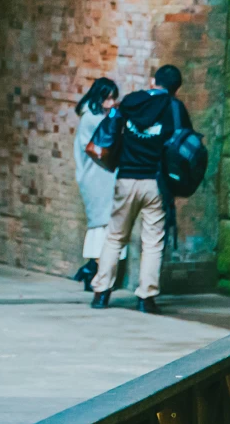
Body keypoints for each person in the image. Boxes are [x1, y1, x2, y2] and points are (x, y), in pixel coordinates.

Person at [89, 64, 190, 312]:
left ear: (153, 81)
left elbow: (113, 130)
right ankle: (146, 297)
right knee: (153, 242)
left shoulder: (131, 102)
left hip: (126, 178)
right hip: (156, 183)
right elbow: (184, 145)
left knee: (114, 236)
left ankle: (101, 293)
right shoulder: (175, 108)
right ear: (176, 89)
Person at [72, 77, 123, 289]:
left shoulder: (98, 115)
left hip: (102, 175)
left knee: (105, 224)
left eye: (113, 98)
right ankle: (93, 270)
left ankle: (93, 270)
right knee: (100, 223)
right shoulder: (91, 118)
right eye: (107, 98)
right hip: (95, 177)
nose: (111, 103)